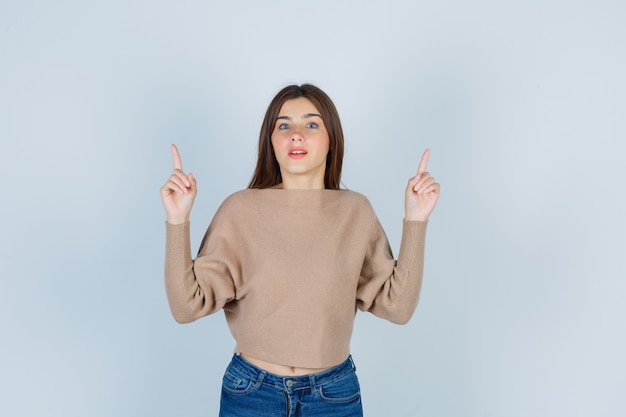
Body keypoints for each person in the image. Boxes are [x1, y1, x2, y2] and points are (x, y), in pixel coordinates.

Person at [160, 84, 440, 417]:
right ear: (271, 141)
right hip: (251, 392)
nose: (296, 135)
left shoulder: (355, 211)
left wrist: (415, 219)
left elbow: (398, 307)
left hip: (333, 393)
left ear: (331, 139)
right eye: (283, 125)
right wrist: (177, 220)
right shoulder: (240, 210)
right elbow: (185, 306)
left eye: (311, 124)